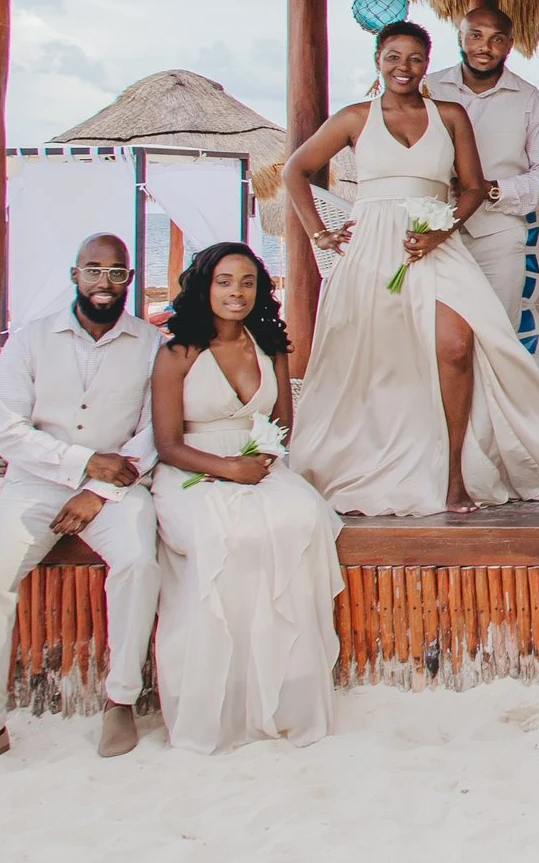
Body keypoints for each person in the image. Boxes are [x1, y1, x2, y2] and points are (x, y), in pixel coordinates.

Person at [287, 20, 539, 516]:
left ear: (427, 63)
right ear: (377, 60)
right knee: (378, 356)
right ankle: (380, 461)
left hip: (438, 240)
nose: (403, 67)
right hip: (372, 244)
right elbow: (294, 170)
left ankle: (456, 476)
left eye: (414, 58)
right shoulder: (353, 117)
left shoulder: (449, 114)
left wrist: (441, 231)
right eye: (393, 57)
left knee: (459, 345)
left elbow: (473, 187)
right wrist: (319, 234)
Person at [0, 234, 159, 767]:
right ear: (74, 276)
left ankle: (121, 700)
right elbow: (7, 431)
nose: (104, 282)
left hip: (118, 486)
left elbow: (153, 433)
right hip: (35, 483)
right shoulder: (29, 340)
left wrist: (99, 489)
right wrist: (80, 463)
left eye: (116, 272)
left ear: (129, 279)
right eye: (93, 270)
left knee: (137, 562)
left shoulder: (152, 344)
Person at [149, 242, 344, 752]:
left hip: (257, 463)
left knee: (300, 519)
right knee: (226, 538)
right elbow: (167, 444)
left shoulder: (270, 344)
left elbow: (282, 422)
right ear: (205, 286)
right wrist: (224, 468)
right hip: (194, 467)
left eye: (247, 282)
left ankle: (284, 693)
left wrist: (259, 460)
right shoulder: (178, 351)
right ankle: (225, 697)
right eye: (224, 281)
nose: (236, 292)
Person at [426, 5, 539, 321]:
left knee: (497, 334)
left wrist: (494, 190)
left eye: (496, 39)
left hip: (497, 234)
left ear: (510, 45)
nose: (485, 48)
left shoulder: (530, 100)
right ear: (461, 38)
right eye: (475, 36)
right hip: (431, 230)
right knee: (432, 332)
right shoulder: (428, 90)